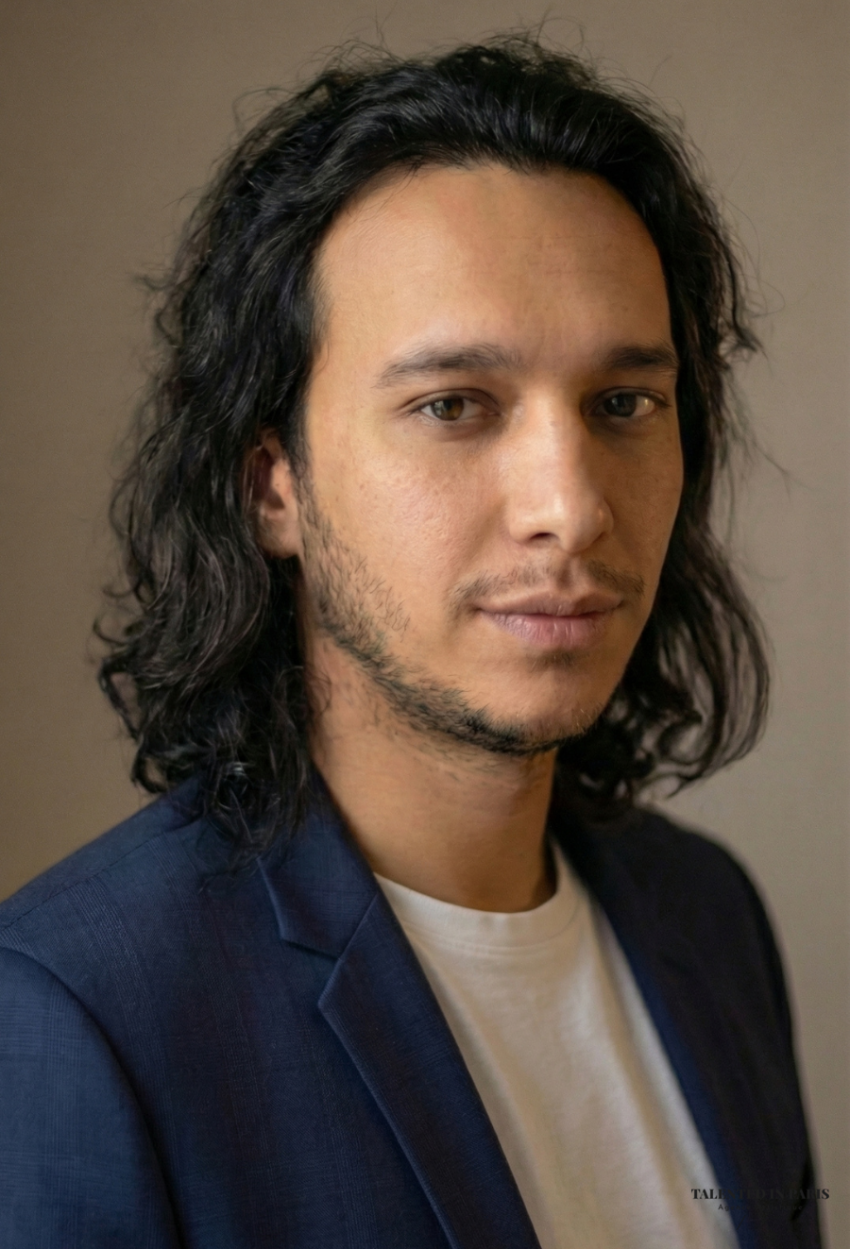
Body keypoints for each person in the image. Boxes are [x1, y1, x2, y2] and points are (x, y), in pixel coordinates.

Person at [0, 36, 822, 1249]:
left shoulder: (707, 916)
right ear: (273, 485)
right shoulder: (77, 1014)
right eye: (452, 406)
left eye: (622, 404)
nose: (571, 505)